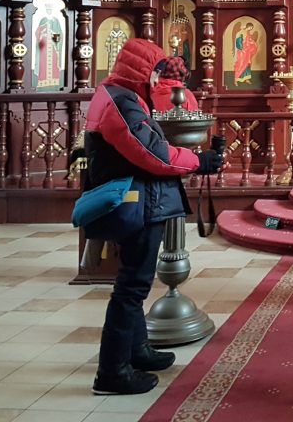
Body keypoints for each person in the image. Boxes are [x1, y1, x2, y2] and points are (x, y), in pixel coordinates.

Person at [84, 38, 221, 395]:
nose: (158, 79)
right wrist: (198, 162)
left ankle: (137, 350)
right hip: (137, 202)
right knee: (131, 287)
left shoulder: (123, 97)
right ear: (139, 70)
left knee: (135, 281)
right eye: (155, 71)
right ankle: (112, 371)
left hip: (144, 199)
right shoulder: (121, 102)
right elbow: (153, 154)